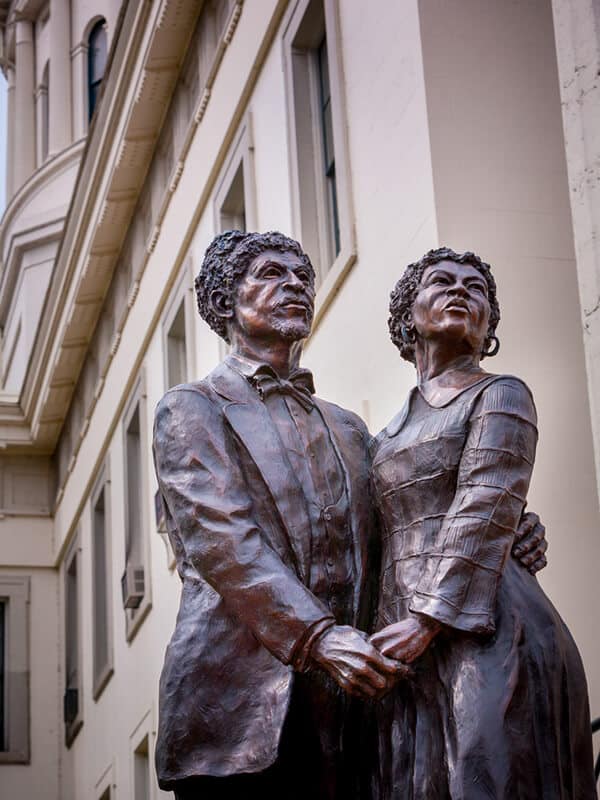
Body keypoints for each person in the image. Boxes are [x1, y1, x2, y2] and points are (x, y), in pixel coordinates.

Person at [153, 231, 548, 799]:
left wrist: (511, 529)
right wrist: (318, 638)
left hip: (347, 721)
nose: (294, 285)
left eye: (302, 277)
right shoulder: (190, 408)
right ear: (223, 302)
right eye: (271, 273)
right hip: (237, 713)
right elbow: (225, 542)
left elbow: (402, 519)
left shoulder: (351, 430)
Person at [369, 247, 597, 799]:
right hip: (405, 649)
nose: (461, 291)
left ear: (488, 324)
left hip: (490, 634)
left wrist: (427, 620)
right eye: (442, 281)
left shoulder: (502, 394)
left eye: (476, 289)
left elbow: (486, 502)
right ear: (407, 315)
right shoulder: (382, 436)